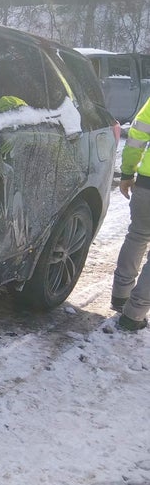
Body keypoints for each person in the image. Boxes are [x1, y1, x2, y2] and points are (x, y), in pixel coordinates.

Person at [111, 96, 150, 330]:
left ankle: (120, 296)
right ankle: (134, 314)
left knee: (136, 237)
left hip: (146, 185)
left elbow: (136, 135)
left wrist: (127, 173)